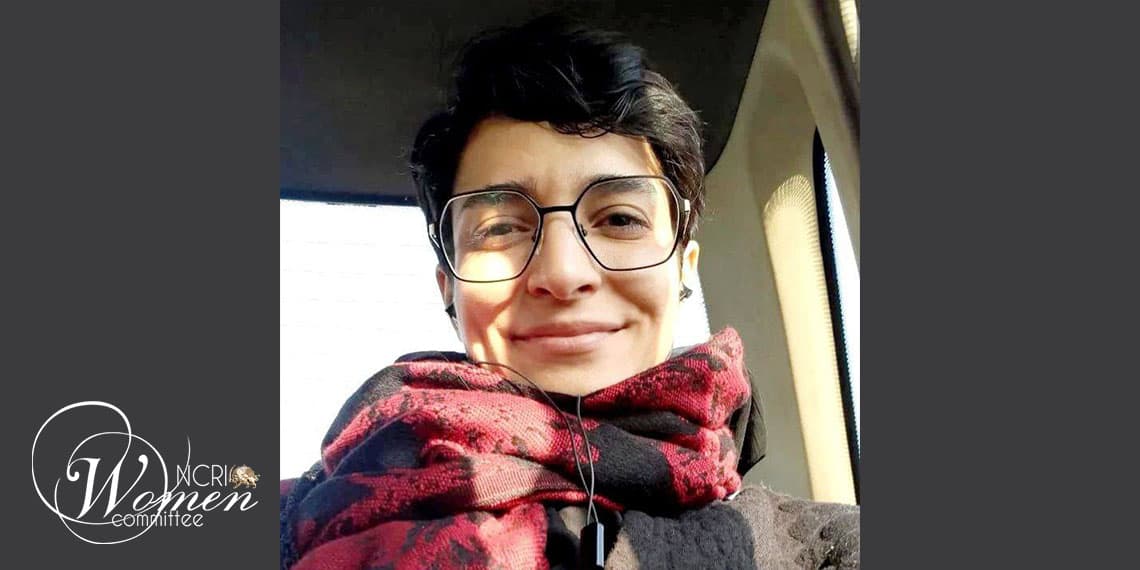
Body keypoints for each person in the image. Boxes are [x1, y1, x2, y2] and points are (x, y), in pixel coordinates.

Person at [280, 15, 859, 569]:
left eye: (620, 219)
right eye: (501, 228)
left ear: (683, 267)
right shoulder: (290, 523)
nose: (562, 273)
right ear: (449, 285)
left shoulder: (826, 548)